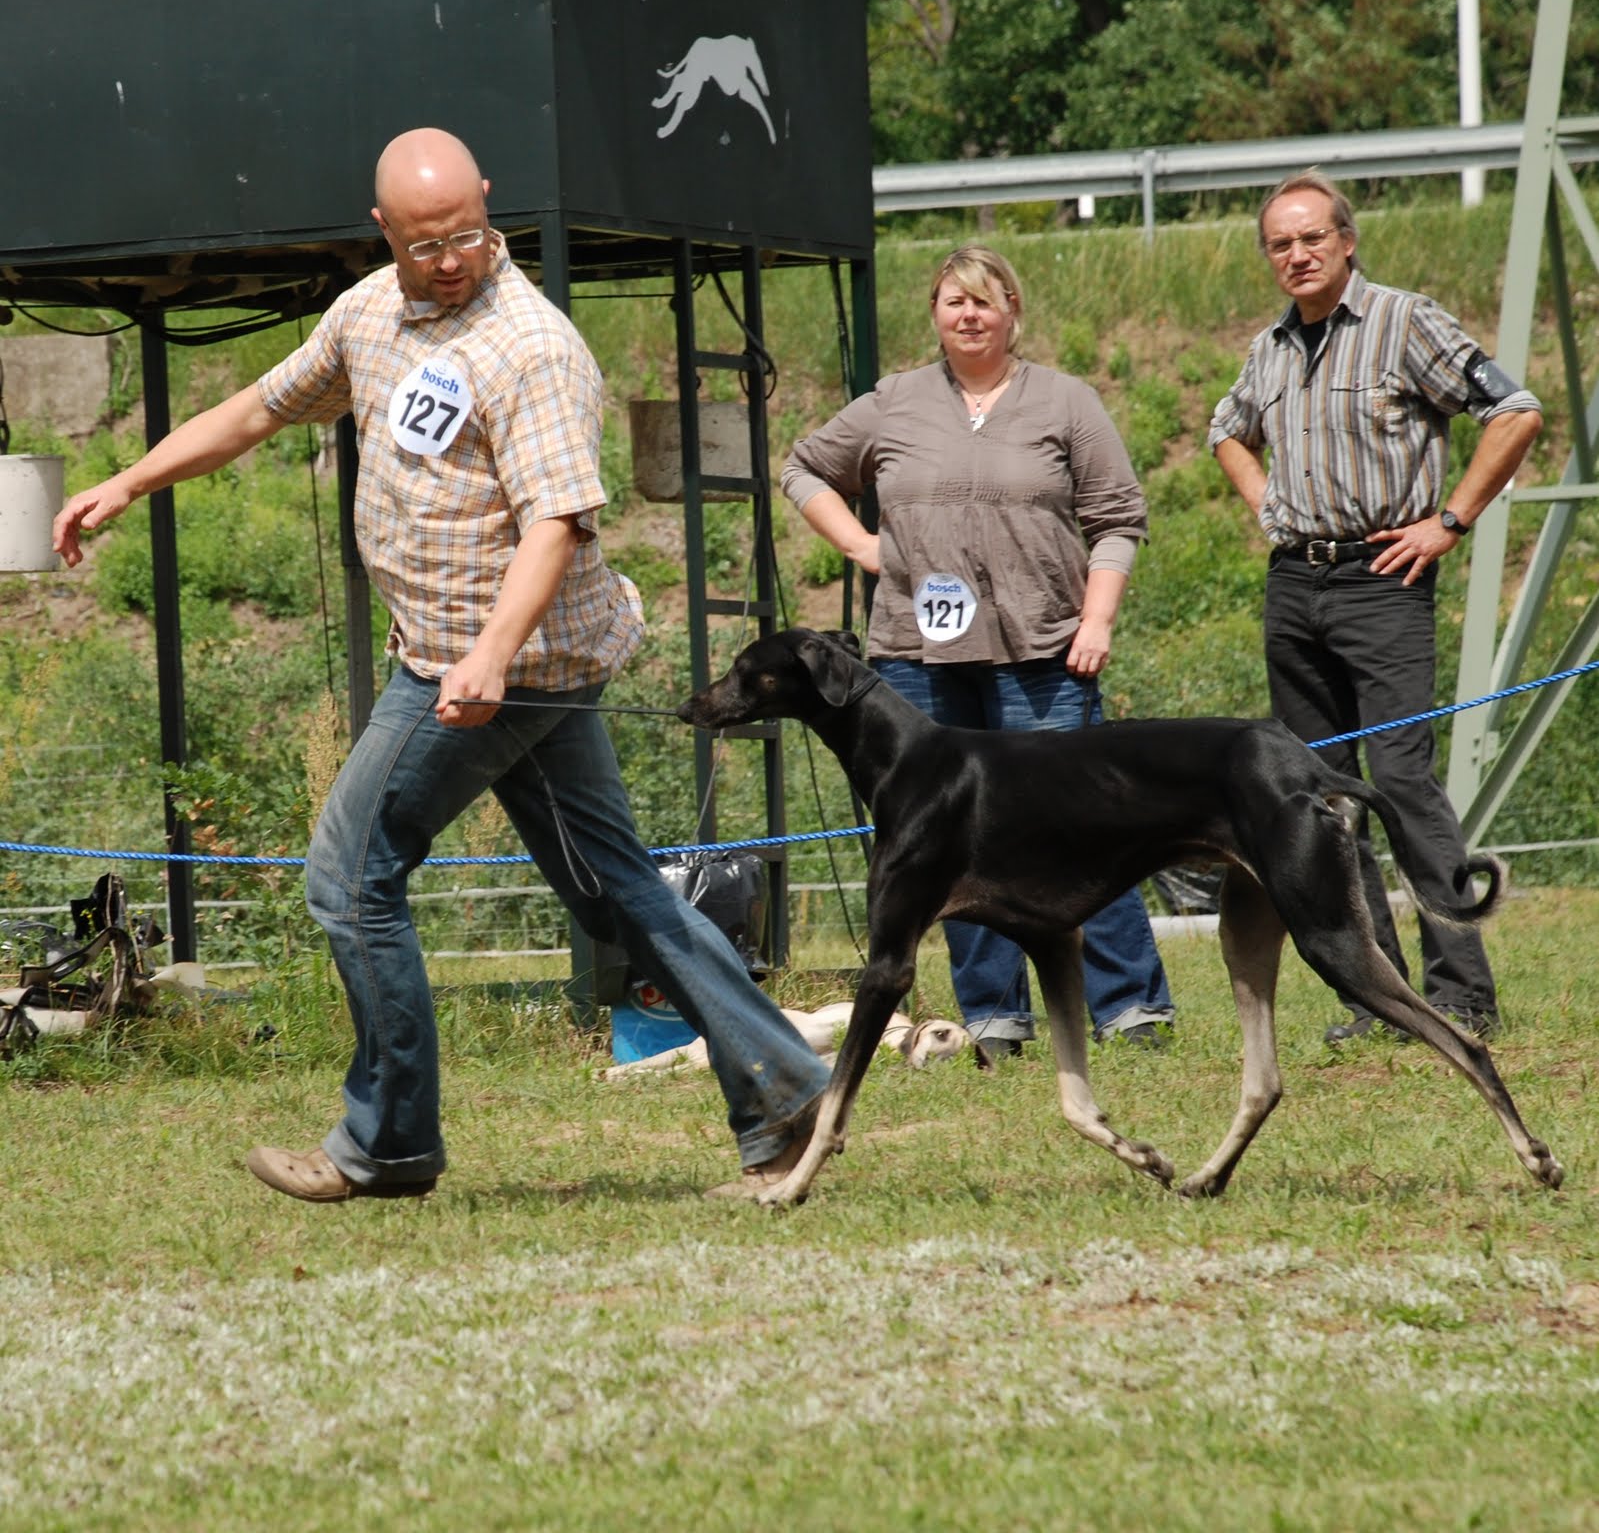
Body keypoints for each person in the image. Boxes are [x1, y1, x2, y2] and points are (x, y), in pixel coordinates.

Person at [52, 127, 830, 1202]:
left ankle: (387, 1141)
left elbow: (556, 524)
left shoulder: (532, 346)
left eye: (465, 234)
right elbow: (258, 408)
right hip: (477, 662)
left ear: (488, 207)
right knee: (618, 895)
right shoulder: (369, 311)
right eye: (425, 243)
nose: (451, 258)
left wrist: (488, 660)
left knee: (348, 873)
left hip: (500, 667)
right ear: (385, 231)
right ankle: (789, 1089)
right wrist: (131, 481)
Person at [781, 244, 1176, 1053]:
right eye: (953, 301)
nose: (968, 315)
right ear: (934, 313)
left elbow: (1117, 519)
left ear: (1011, 312)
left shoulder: (1065, 402)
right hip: (917, 662)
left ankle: (1131, 1009)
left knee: (1084, 825)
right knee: (941, 840)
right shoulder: (892, 402)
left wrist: (1095, 619)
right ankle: (995, 1018)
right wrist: (859, 545)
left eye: (984, 301)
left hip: (1043, 652)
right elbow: (804, 467)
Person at [1209, 169, 1543, 1044]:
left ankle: (1462, 990)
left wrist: (1449, 520)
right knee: (1324, 796)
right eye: (1279, 243)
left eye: (1311, 238)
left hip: (1382, 580)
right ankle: (1378, 997)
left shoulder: (1402, 320)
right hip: (1294, 583)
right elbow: (1223, 430)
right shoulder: (1268, 350)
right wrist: (1265, 505)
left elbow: (1512, 411)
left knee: (1398, 781)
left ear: (1346, 242)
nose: (1296, 255)